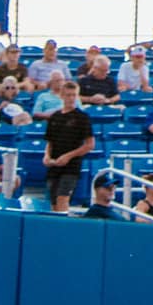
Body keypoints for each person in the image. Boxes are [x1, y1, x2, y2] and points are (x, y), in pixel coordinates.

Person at [42, 82, 93, 214]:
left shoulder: (82, 117)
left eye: (74, 95)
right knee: (52, 202)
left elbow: (89, 144)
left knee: (62, 198)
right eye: (68, 95)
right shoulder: (55, 116)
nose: (71, 98)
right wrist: (46, 156)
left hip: (71, 166)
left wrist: (68, 156)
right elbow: (49, 141)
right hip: (54, 165)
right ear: (62, 96)